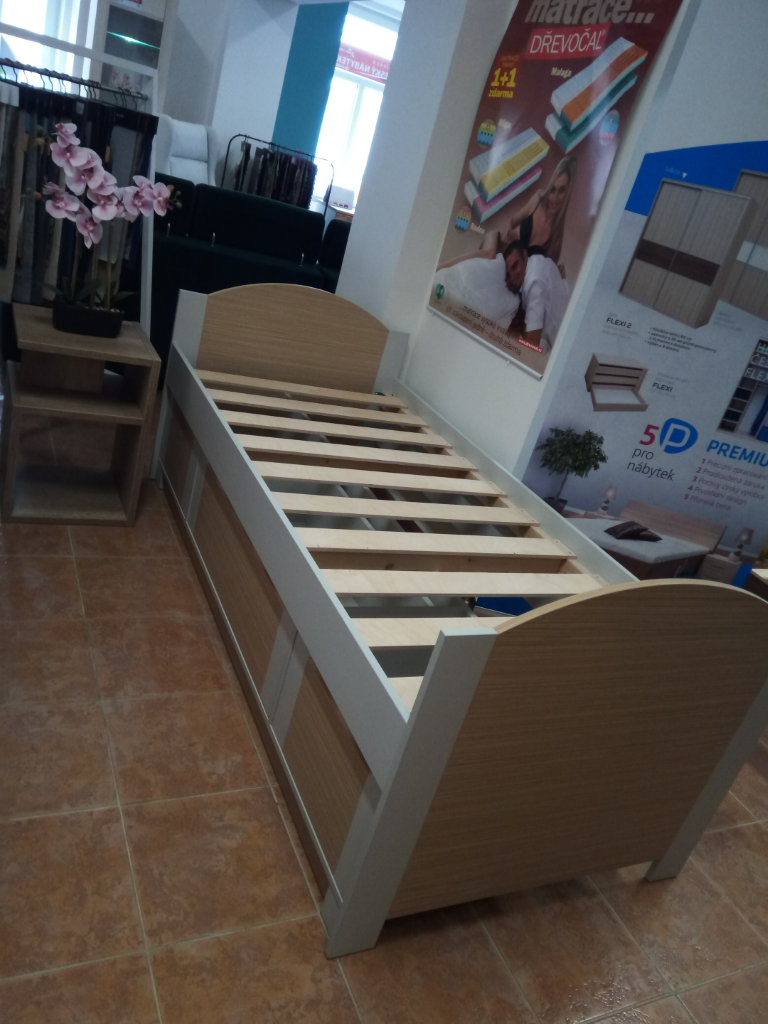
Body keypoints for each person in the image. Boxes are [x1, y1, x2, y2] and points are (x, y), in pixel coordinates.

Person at [483, 156, 577, 276]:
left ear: (568, 193)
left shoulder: (556, 240)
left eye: (562, 190)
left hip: (510, 274)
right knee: (490, 256)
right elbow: (512, 221)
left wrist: (559, 271)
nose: (554, 198)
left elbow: (547, 273)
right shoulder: (538, 199)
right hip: (498, 248)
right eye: (553, 189)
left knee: (488, 272)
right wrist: (508, 228)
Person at [502, 240, 570, 351]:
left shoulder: (533, 283)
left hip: (568, 340)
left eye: (515, 266)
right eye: (508, 274)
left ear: (525, 255)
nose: (512, 276)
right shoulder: (539, 260)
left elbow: (532, 347)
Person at [434, 247, 519, 331]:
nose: (512, 277)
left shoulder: (513, 305)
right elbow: (489, 250)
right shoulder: (498, 262)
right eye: (514, 266)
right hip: (441, 287)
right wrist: (440, 267)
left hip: (449, 318)